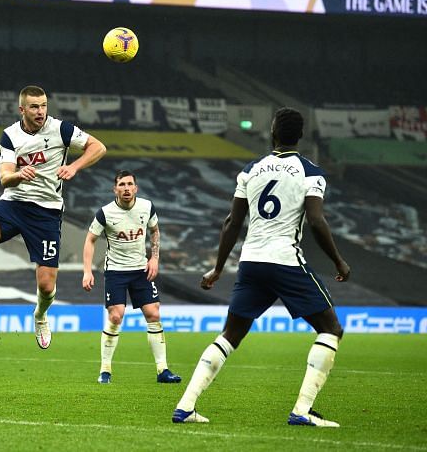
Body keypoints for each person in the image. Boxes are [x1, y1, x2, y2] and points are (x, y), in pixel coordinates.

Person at [172, 107, 351, 427]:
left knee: (231, 334)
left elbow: (232, 222)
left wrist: (217, 268)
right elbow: (316, 219)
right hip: (285, 260)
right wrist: (337, 260)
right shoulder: (311, 172)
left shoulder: (250, 170)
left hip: (251, 262)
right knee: (331, 329)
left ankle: (185, 406)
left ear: (272, 132)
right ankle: (302, 411)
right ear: (300, 136)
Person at [0, 85, 106, 348]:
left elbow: (98, 147)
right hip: (14, 204)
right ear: (22, 109)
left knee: (46, 287)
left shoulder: (61, 129)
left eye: (44, 105)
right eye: (34, 107)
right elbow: (4, 178)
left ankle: (40, 315)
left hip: (47, 211)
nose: (40, 111)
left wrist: (74, 166)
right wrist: (18, 175)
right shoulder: (10, 135)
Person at [82, 170, 181, 385]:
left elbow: (155, 231)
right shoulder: (105, 213)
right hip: (116, 271)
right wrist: (87, 271)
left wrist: (154, 258)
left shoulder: (147, 207)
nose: (126, 188)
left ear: (136, 187)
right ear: (115, 189)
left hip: (140, 270)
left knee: (153, 313)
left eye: (130, 184)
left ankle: (163, 370)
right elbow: (90, 240)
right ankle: (105, 370)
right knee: (116, 316)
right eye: (122, 184)